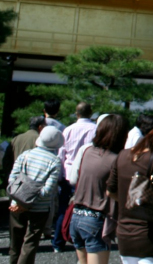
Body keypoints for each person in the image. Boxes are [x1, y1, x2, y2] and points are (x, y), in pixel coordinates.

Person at [107, 126, 153, 264]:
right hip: (150, 234)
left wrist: (129, 201)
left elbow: (110, 191)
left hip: (124, 233)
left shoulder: (122, 155)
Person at [70, 114, 129, 264]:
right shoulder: (115, 160)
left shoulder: (87, 152)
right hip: (95, 219)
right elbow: (116, 191)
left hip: (76, 215)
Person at [8, 126, 64, 264]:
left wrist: (21, 202)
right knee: (30, 243)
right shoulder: (54, 161)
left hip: (16, 205)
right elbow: (47, 191)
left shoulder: (25, 154)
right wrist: (29, 202)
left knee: (15, 243)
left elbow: (12, 179)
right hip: (40, 208)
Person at [54, 102, 97, 252]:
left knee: (64, 208)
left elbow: (61, 154)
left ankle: (58, 242)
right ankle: (85, 242)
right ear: (91, 113)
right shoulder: (95, 129)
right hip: (88, 173)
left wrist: (59, 175)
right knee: (87, 209)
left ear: (76, 113)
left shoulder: (68, 130)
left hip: (68, 172)